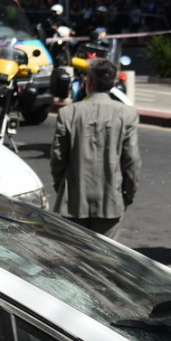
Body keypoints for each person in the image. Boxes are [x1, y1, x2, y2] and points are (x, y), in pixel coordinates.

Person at [51, 58, 141, 239]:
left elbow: (58, 158)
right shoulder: (127, 114)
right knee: (105, 253)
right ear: (113, 83)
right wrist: (127, 194)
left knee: (74, 252)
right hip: (110, 201)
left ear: (89, 82)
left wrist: (61, 187)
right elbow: (131, 160)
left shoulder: (68, 113)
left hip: (74, 200)